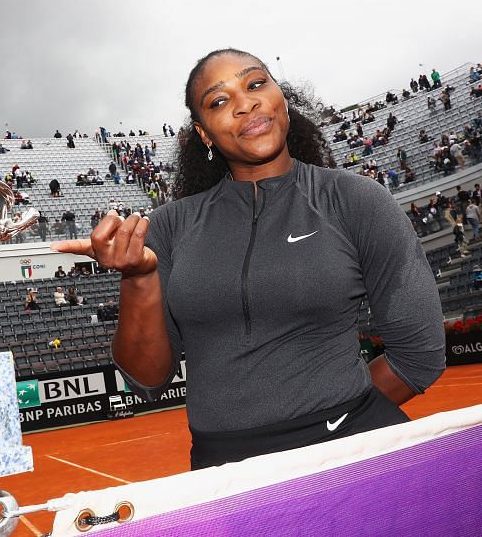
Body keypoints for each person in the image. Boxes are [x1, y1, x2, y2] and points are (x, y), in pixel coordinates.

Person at [52, 48, 445, 470]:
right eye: (219, 101)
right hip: (223, 472)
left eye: (256, 84)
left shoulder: (356, 200)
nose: (245, 103)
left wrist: (335, 422)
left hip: (351, 454)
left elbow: (419, 355)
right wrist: (139, 277)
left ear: (283, 99)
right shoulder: (169, 226)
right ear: (204, 134)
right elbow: (147, 379)